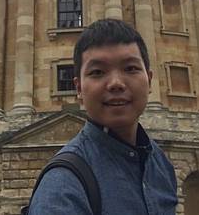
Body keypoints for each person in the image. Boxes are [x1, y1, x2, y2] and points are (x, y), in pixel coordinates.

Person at [28, 18, 178, 214]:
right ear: (79, 88)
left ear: (149, 80)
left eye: (130, 68)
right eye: (98, 72)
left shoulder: (161, 164)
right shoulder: (62, 185)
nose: (116, 83)